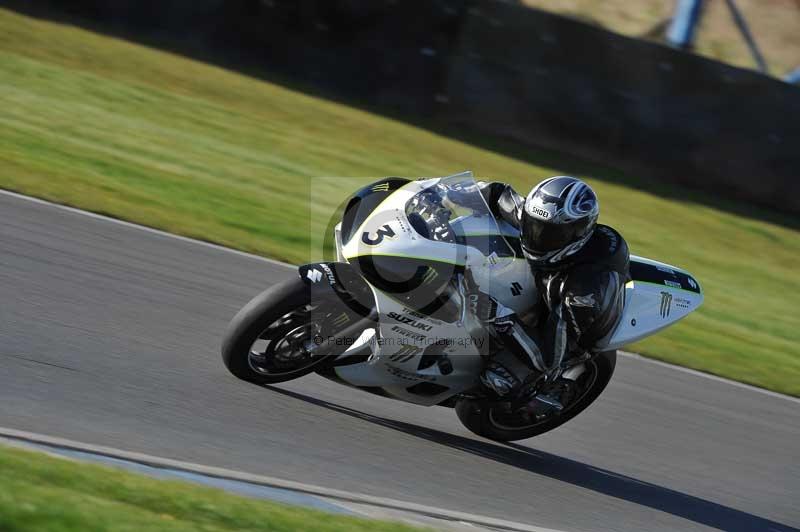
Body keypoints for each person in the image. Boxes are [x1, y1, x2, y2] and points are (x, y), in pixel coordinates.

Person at [469, 176, 630, 409]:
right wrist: (442, 192)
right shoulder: (538, 217)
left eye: (550, 235)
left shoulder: (580, 292)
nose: (538, 237)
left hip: (575, 318)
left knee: (498, 380)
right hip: (555, 274)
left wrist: (497, 313)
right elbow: (496, 193)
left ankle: (552, 387)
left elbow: (547, 356)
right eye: (534, 226)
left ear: (577, 234)